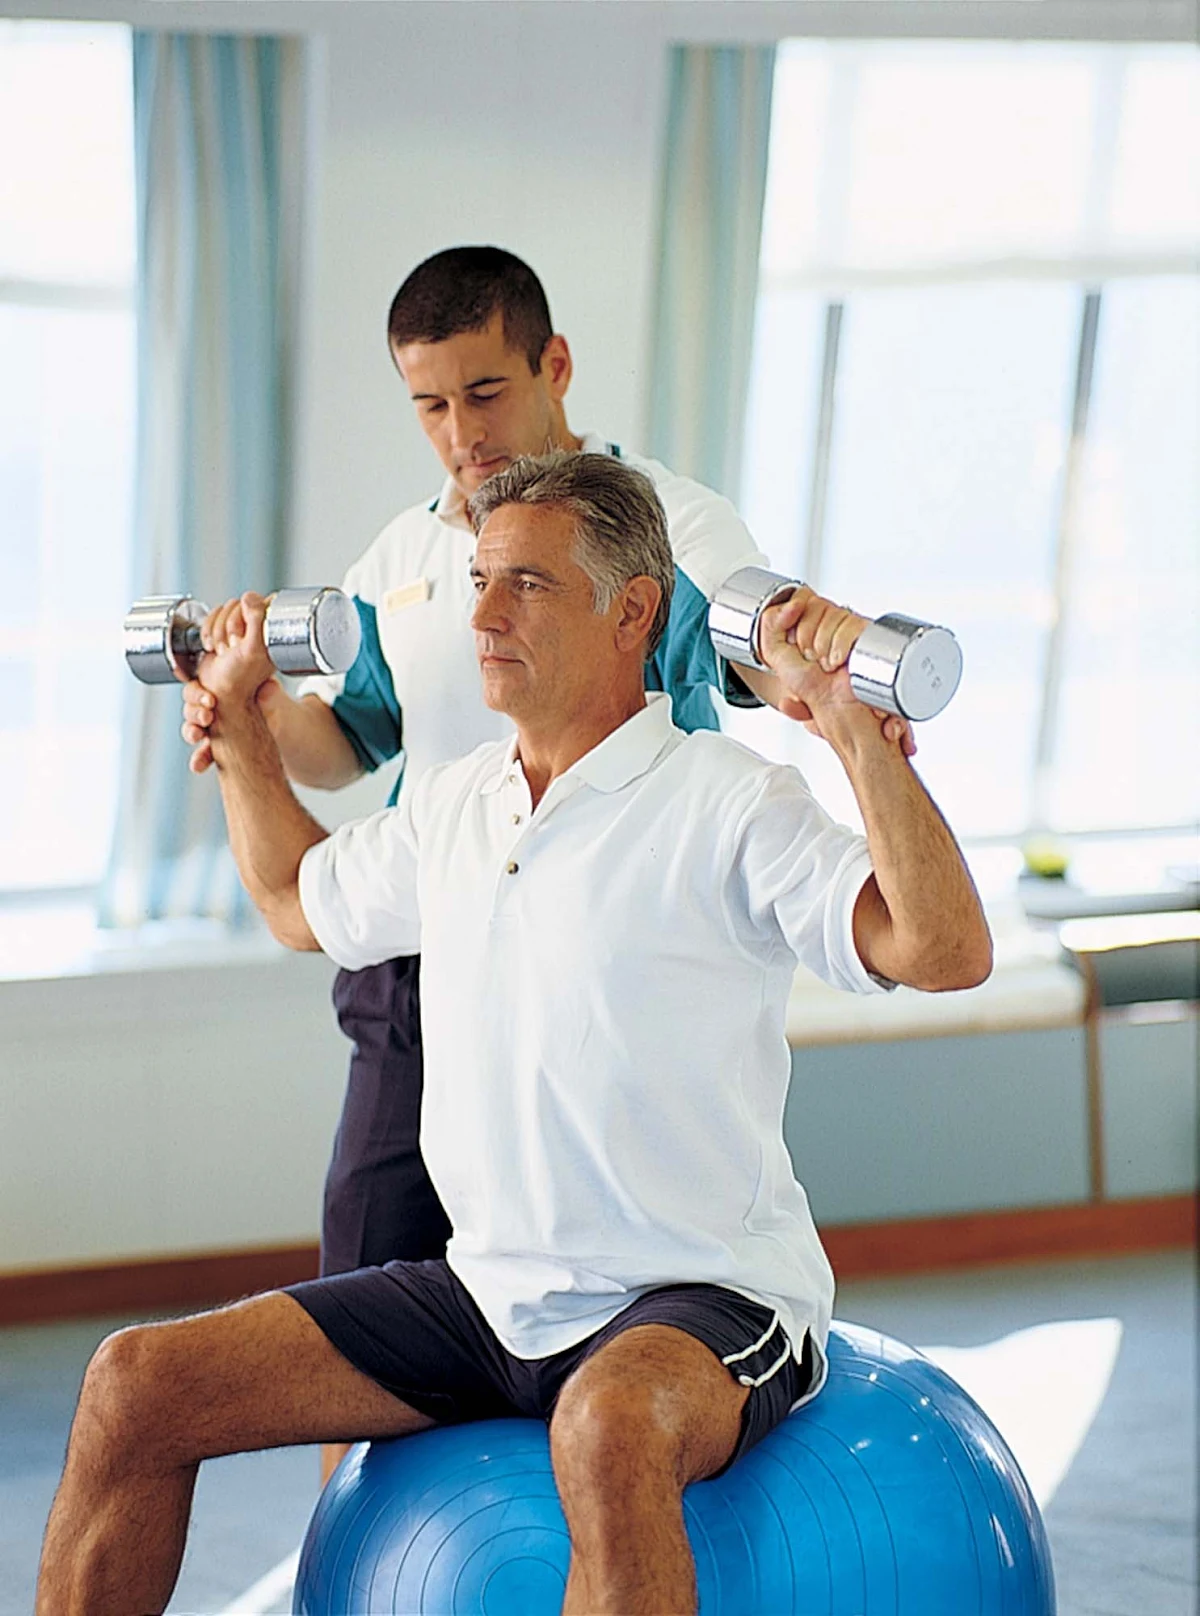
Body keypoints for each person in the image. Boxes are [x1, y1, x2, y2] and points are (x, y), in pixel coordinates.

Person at [40, 452, 989, 1616]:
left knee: (605, 1426)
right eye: (481, 577)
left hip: (697, 1295)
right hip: (486, 1290)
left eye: (526, 584)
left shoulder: (727, 799)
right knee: (134, 1382)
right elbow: (296, 899)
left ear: (631, 610)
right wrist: (239, 730)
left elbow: (942, 950)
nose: (481, 613)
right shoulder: (457, 800)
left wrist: (846, 721)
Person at [179, 247, 915, 1428]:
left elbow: (751, 640)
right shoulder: (402, 556)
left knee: (610, 1306)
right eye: (430, 404)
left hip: (608, 934)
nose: (461, 432)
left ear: (553, 365)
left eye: (484, 392)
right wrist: (260, 710)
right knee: (357, 1300)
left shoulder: (666, 522)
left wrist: (818, 670)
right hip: (428, 940)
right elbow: (353, 743)